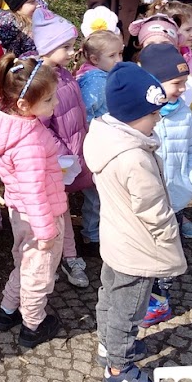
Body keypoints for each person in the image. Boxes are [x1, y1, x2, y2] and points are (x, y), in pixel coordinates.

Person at [87, 62, 182, 382]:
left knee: (110, 296)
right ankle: (119, 369)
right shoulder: (135, 159)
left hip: (116, 237)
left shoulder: (104, 136)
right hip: (139, 248)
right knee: (129, 311)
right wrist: (170, 235)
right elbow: (154, 210)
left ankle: (106, 343)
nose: (157, 120)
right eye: (153, 114)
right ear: (132, 116)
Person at [0, 54, 67, 349]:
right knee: (39, 273)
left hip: (20, 212)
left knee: (24, 264)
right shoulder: (28, 143)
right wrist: (46, 232)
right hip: (40, 217)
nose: (54, 104)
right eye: (48, 100)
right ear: (23, 104)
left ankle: (7, 310)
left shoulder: (8, 123)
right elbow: (35, 190)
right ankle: (33, 324)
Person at [136, 44, 192, 327]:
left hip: (174, 196)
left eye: (184, 81)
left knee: (166, 249)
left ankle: (160, 295)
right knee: (143, 250)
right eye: (176, 83)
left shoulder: (184, 114)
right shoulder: (139, 114)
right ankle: (142, 296)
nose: (183, 87)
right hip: (144, 202)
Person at [31, 7, 93, 290]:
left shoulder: (64, 74)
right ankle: (56, 258)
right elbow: (40, 125)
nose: (72, 52)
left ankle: (68, 256)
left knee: (63, 209)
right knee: (53, 213)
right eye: (65, 47)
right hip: (55, 160)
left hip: (70, 157)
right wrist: (62, 153)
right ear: (47, 47)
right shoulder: (41, 80)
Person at [74, 29, 125, 260]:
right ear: (94, 59)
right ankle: (91, 235)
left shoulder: (99, 77)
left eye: (120, 54)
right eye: (113, 56)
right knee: (96, 194)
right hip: (99, 145)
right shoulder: (95, 82)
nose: (119, 60)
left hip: (107, 143)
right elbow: (86, 115)